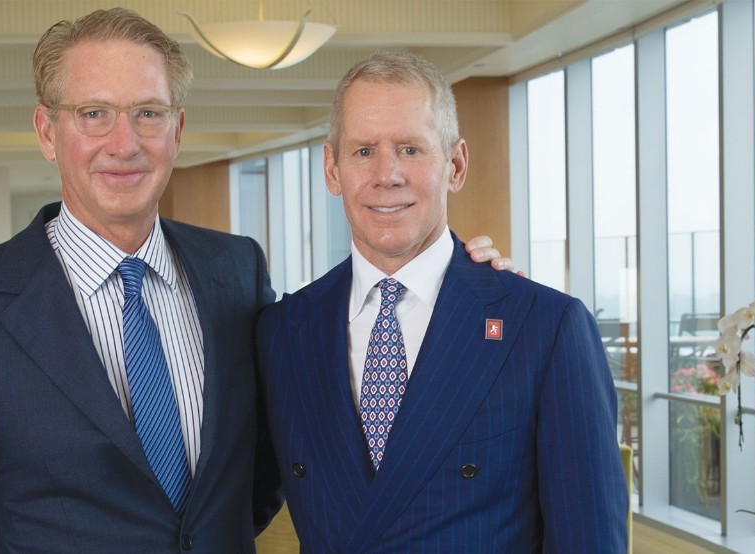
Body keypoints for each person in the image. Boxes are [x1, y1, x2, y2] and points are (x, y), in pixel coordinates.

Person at [0, 8, 515, 552]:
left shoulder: (235, 273)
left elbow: (285, 447)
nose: (124, 143)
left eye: (149, 113)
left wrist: (459, 287)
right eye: (94, 113)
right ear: (48, 132)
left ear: (178, 130)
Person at [256, 52, 629, 552]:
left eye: (410, 149)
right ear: (332, 169)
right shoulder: (283, 330)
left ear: (455, 165)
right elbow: (232, 503)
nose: (386, 174)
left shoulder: (545, 328)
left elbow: (589, 539)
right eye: (364, 151)